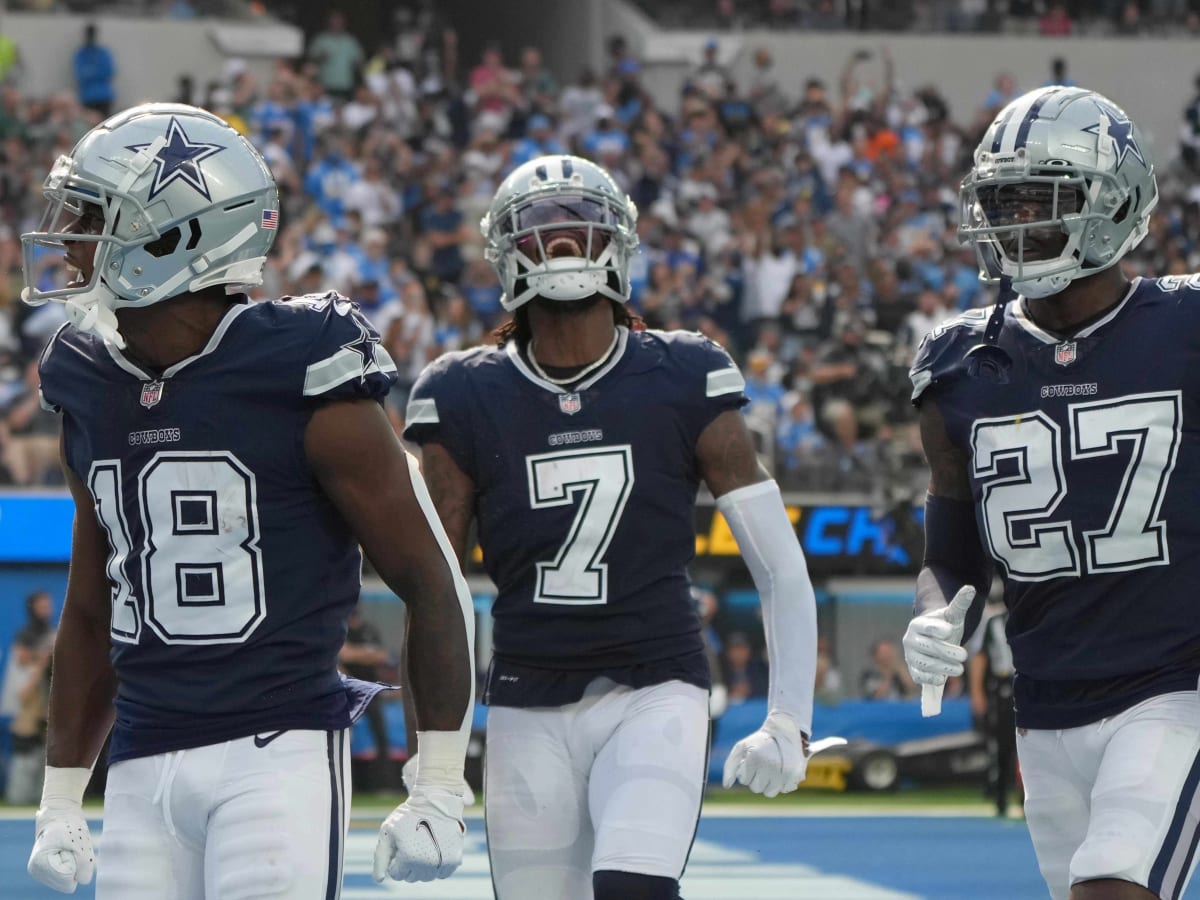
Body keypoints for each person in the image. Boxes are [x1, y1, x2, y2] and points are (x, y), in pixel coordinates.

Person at [21, 102, 476, 897]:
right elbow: (92, 605)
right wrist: (61, 795)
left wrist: (438, 779)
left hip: (277, 755)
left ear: (173, 233)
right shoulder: (85, 379)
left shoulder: (304, 364)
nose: (67, 241)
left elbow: (432, 582)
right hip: (140, 759)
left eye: (93, 218)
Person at [402, 154, 820, 900]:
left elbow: (778, 563)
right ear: (506, 253)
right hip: (528, 698)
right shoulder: (463, 393)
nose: (561, 246)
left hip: (655, 684)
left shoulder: (683, 373)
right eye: (539, 232)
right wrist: (433, 778)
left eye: (578, 228)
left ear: (617, 244)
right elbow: (436, 591)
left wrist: (790, 716)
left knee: (633, 888)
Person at [902, 86, 1200, 900]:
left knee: (1112, 886)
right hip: (1044, 700)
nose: (1018, 221)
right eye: (1005, 200)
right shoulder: (957, 364)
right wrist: (936, 608)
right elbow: (953, 550)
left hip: (1175, 684)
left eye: (1046, 198)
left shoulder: (1185, 326)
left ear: (1114, 203)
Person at [3, 590, 55, 805]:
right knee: (25, 748)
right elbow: (22, 660)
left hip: (48, 701)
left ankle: (43, 797)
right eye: (42, 605)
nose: (46, 609)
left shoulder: (53, 633)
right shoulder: (25, 635)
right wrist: (41, 657)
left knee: (47, 752)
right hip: (28, 703)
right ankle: (19, 795)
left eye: (48, 605)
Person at [967, 601, 1017, 818]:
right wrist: (977, 692)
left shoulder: (1036, 615)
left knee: (1033, 745)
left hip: (1030, 685)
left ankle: (1028, 798)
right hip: (1004, 686)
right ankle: (1001, 796)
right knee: (1003, 744)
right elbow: (981, 657)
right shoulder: (995, 622)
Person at [339, 603, 394, 791]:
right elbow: (342, 656)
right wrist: (365, 654)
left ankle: (384, 786)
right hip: (347, 692)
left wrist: (354, 655)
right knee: (344, 737)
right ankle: (348, 786)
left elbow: (382, 656)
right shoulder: (341, 629)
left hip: (371, 691)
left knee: (381, 737)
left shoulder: (369, 630)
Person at [72, 24, 115, 119]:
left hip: (103, 97)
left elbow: (108, 71)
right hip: (87, 97)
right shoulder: (81, 53)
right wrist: (95, 72)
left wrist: (90, 72)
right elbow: (79, 74)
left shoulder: (103, 53)